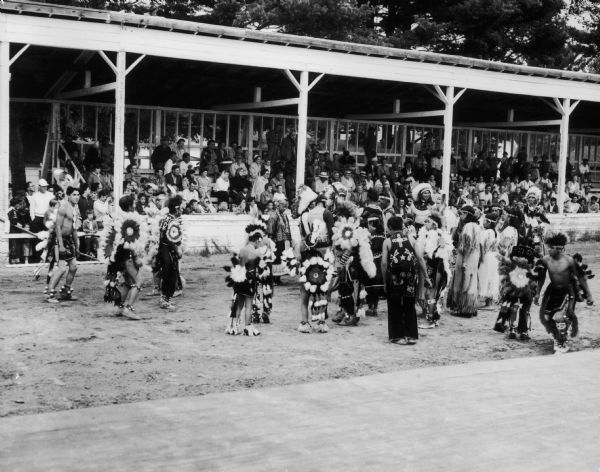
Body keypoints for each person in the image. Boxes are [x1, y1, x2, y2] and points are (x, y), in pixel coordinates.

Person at [535, 233, 594, 353]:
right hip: (552, 291)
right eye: (555, 248)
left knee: (560, 317)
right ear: (550, 248)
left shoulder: (569, 260)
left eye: (560, 248)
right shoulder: (546, 259)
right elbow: (541, 277)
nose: (557, 251)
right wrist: (537, 293)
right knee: (547, 317)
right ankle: (560, 334)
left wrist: (589, 294)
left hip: (568, 291)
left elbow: (581, 278)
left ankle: (561, 342)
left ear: (564, 248)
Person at [381, 216, 429, 344]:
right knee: (409, 305)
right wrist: (426, 276)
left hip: (394, 278)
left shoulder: (387, 241)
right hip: (410, 278)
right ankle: (411, 335)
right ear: (402, 226)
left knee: (394, 305)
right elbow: (420, 259)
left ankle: (398, 336)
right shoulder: (411, 239)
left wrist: (385, 281)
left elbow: (384, 264)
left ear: (390, 228)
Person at [102, 195, 147, 320]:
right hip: (127, 256)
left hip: (119, 256)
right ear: (130, 205)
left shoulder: (118, 218)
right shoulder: (128, 221)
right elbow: (130, 241)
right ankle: (128, 308)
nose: (135, 204)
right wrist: (136, 256)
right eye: (134, 202)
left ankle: (119, 307)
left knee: (128, 282)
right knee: (138, 281)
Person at [46, 186, 80, 303]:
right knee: (61, 268)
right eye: (74, 195)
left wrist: (77, 245)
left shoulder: (75, 208)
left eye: (78, 195)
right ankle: (50, 294)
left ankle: (66, 292)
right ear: (69, 195)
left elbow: (74, 229)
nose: (77, 197)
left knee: (73, 267)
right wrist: (60, 244)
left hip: (69, 240)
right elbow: (58, 226)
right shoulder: (63, 206)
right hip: (59, 239)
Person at [447, 205, 481, 318]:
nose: (460, 216)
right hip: (473, 257)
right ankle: (471, 307)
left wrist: (464, 261)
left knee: (465, 280)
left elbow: (468, 245)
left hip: (467, 256)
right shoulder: (476, 225)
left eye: (462, 213)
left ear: (467, 214)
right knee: (471, 279)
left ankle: (464, 309)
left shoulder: (468, 226)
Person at [157, 195, 184, 310]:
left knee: (167, 273)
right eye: (181, 208)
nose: (182, 210)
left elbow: (162, 235)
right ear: (177, 209)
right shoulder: (172, 221)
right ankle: (165, 300)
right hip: (168, 249)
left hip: (163, 248)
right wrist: (177, 249)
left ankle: (164, 298)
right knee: (170, 274)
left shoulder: (165, 218)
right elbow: (170, 238)